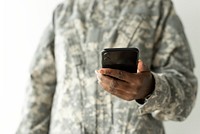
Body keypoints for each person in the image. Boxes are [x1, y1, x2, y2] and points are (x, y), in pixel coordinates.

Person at [17, 0, 198, 134]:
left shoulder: (157, 8)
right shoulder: (64, 13)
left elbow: (186, 93)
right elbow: (40, 86)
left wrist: (150, 88)